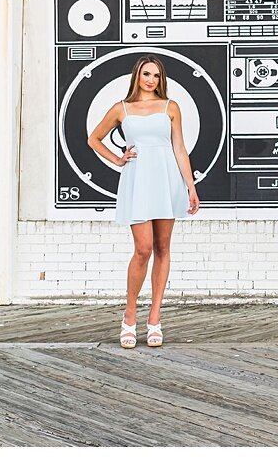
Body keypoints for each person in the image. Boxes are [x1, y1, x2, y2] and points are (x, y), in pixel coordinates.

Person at [87, 56, 200, 348]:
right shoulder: (122, 109)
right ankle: (129, 315)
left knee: (163, 247)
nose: (151, 79)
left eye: (156, 75)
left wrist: (190, 186)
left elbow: (179, 148)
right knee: (143, 249)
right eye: (146, 74)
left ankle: (154, 319)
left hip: (167, 180)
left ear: (162, 80)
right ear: (137, 76)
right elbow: (94, 139)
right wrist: (118, 159)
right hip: (138, 182)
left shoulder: (170, 107)